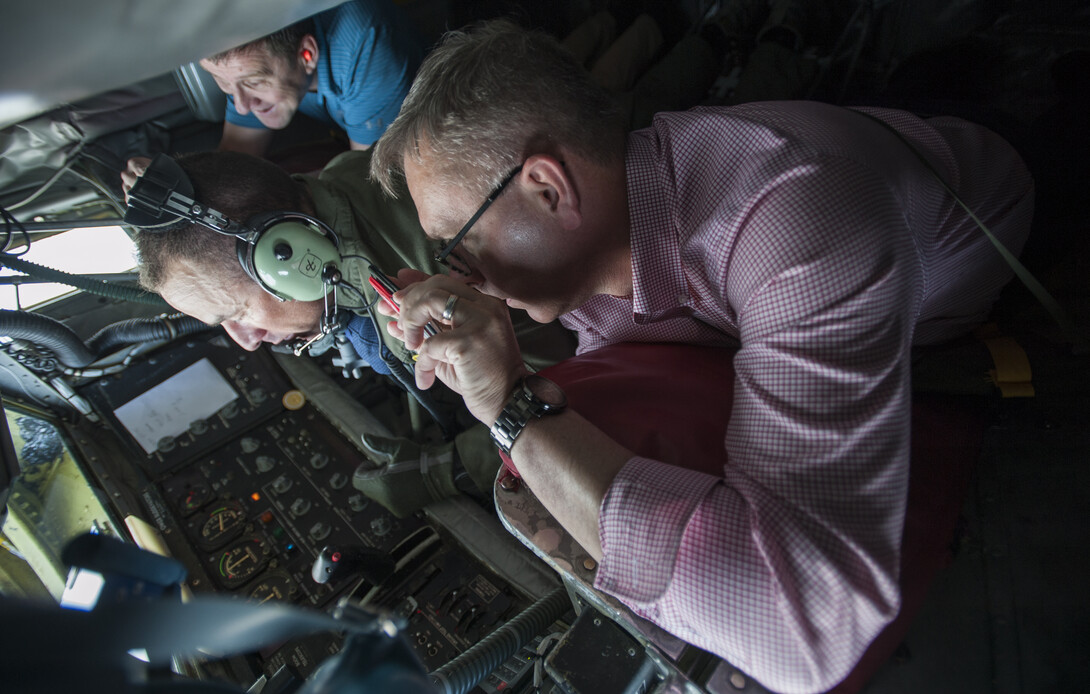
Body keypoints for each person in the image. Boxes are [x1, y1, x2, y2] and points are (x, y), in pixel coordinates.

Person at [367, 20, 1035, 694]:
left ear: (547, 190)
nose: (458, 276)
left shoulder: (798, 213)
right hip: (871, 174)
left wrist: (510, 405)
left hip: (993, 195)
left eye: (456, 244)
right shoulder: (597, 246)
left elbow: (808, 635)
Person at [122, 149, 576, 515]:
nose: (247, 339)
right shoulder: (331, 186)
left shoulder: (430, 264)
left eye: (235, 313)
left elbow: (569, 396)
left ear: (291, 255)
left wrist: (450, 469)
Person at [199, 0, 424, 156]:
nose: (241, 106)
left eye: (255, 82)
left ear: (307, 55)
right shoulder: (245, 72)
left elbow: (367, 182)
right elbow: (237, 154)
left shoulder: (366, 49)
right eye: (224, 83)